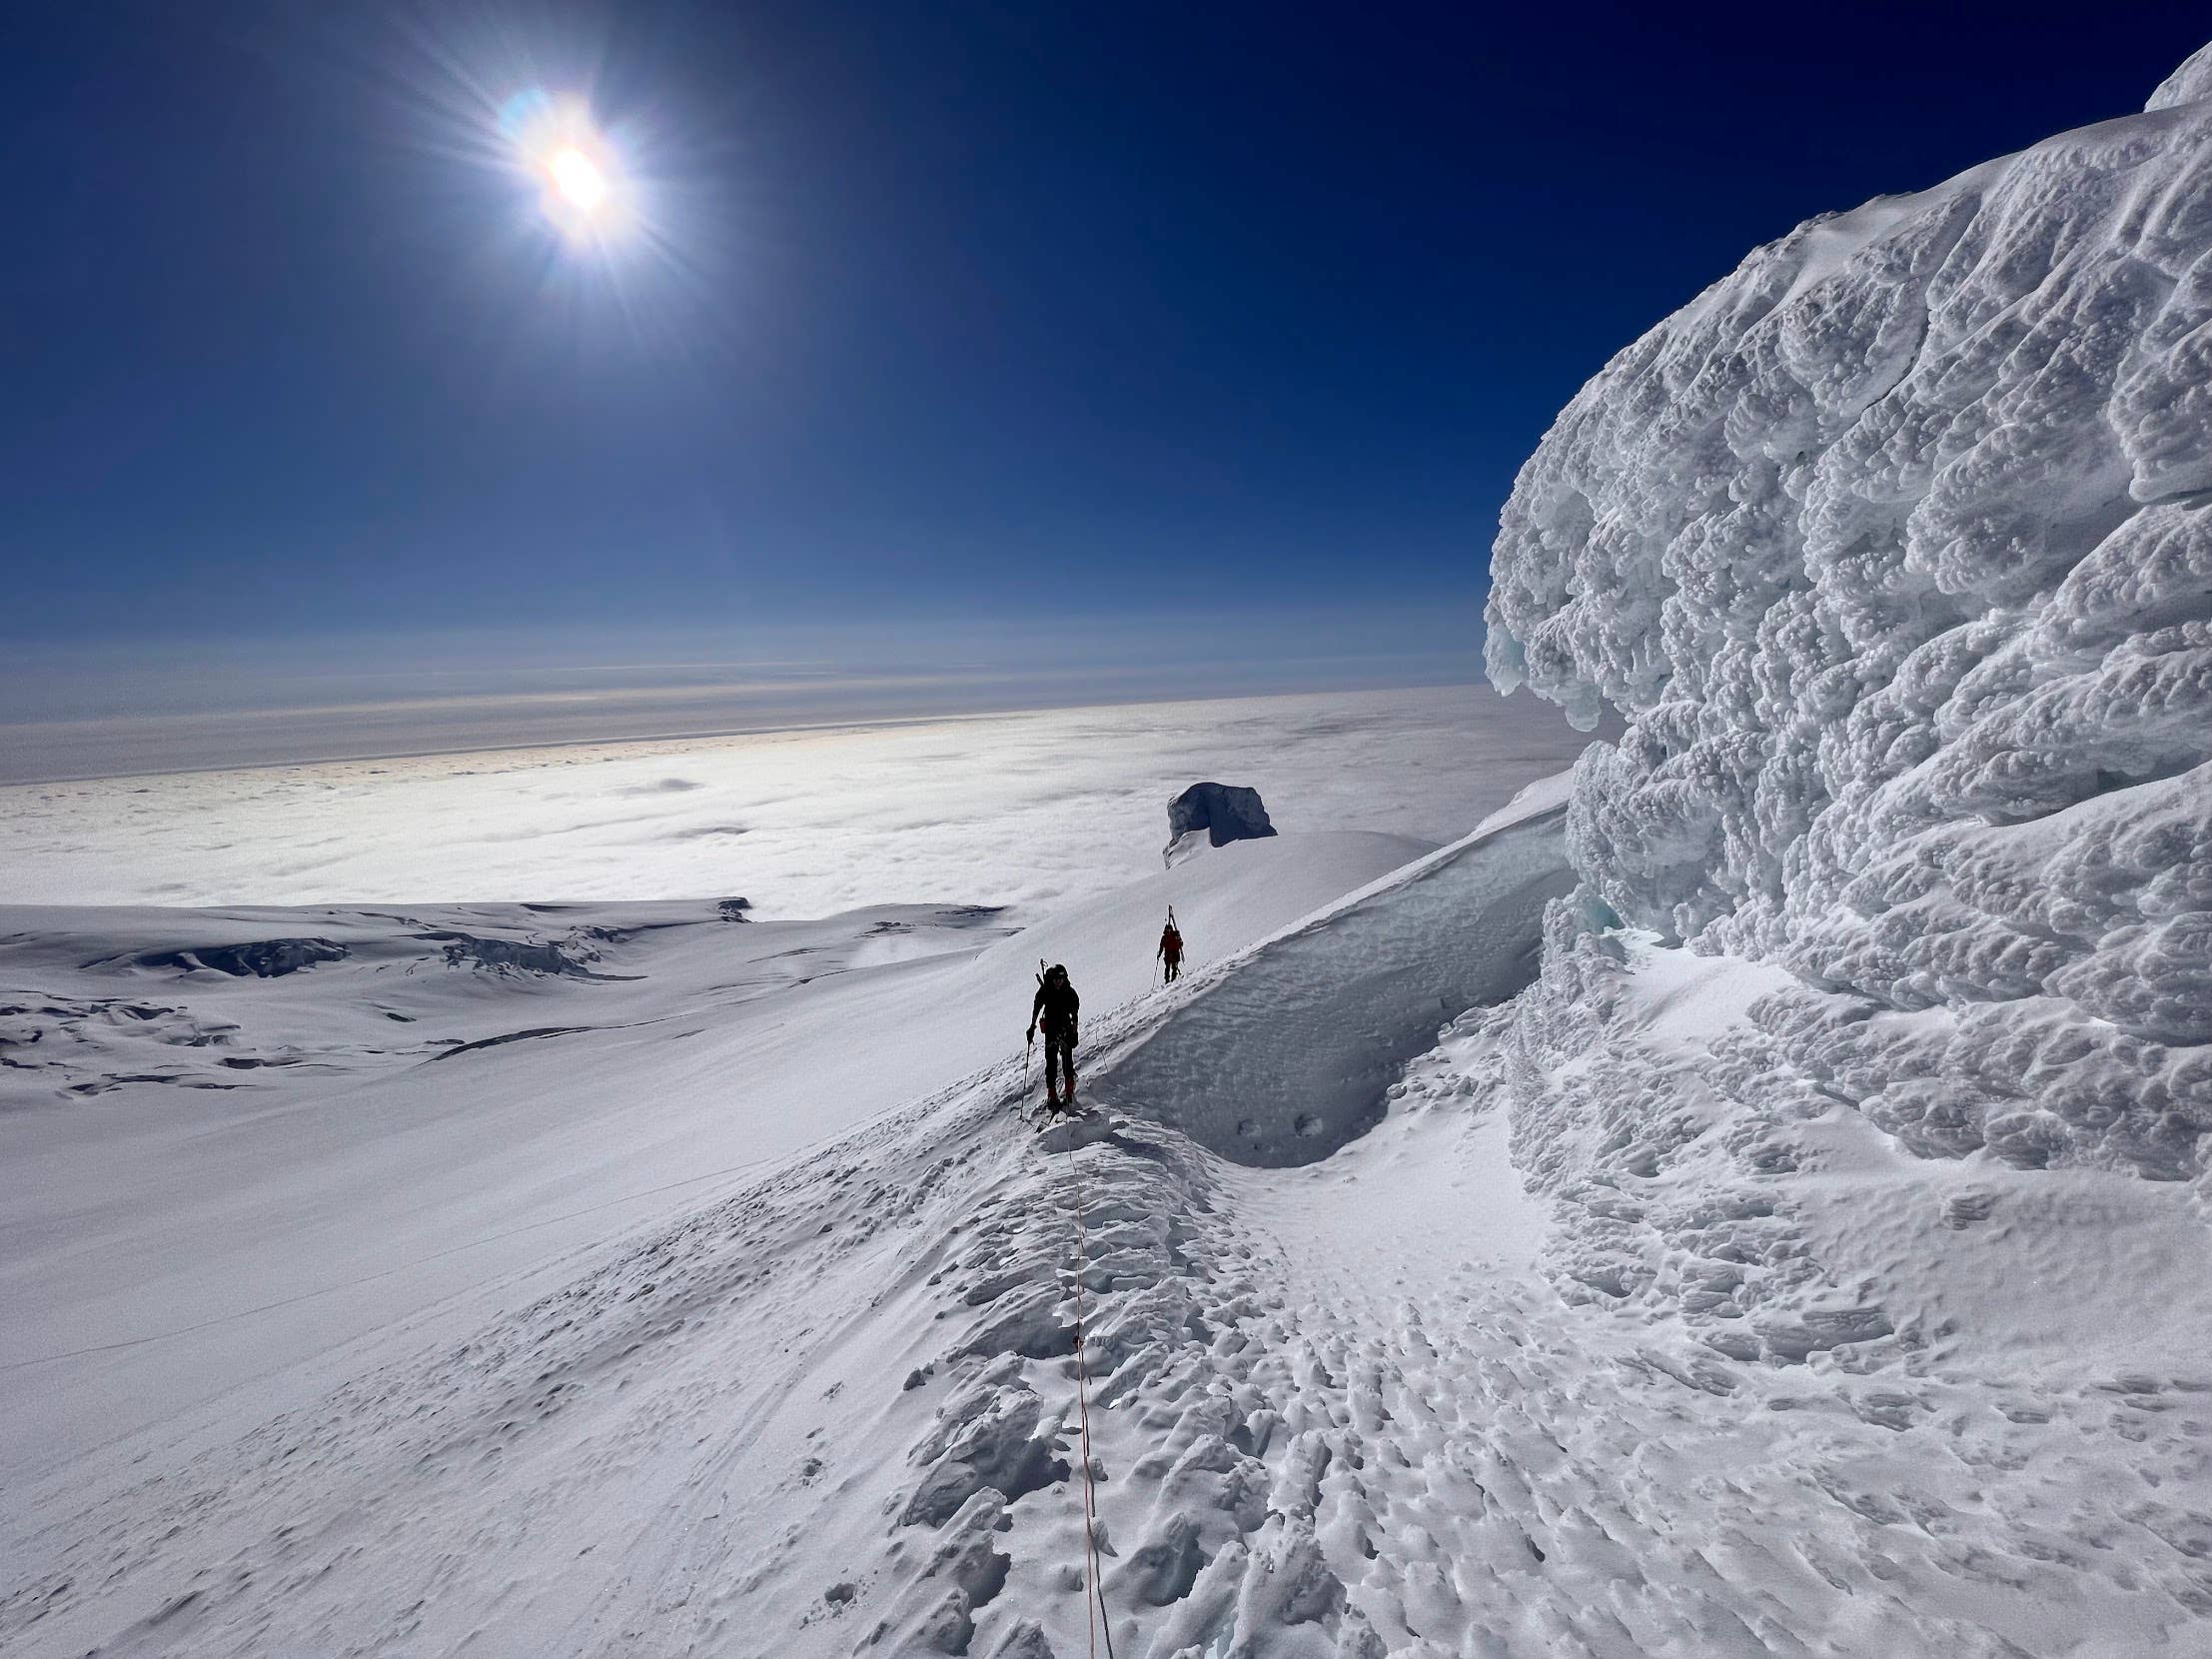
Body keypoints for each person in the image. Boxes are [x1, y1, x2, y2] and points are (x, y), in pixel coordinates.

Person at [1028, 962, 1081, 1111]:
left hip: (1063, 1029)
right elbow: (1036, 1009)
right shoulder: (1052, 991)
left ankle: (1067, 1090)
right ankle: (1053, 1093)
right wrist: (1032, 1027)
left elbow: (1075, 1015)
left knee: (1066, 1060)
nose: (1058, 980)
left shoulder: (1061, 992)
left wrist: (1074, 1032)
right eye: (1056, 978)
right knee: (1051, 1061)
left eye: (1061, 978)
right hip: (1053, 1029)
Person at [1157, 910, 1184, 983]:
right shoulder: (1164, 937)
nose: (1168, 931)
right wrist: (1159, 953)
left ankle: (1173, 979)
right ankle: (1167, 980)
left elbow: (1180, 943)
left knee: (1174, 967)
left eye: (1169, 929)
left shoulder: (1175, 935)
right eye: (1167, 930)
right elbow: (1161, 946)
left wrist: (1179, 941)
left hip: (1174, 952)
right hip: (1168, 953)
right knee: (1168, 967)